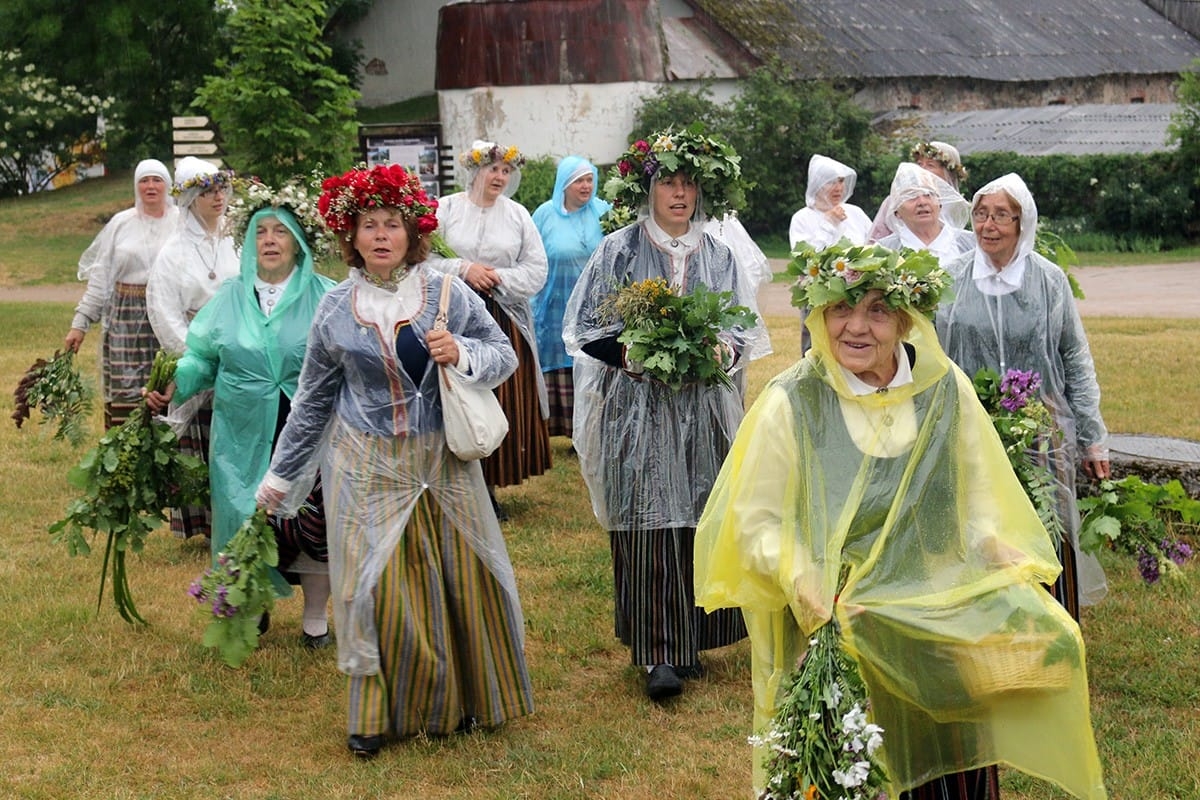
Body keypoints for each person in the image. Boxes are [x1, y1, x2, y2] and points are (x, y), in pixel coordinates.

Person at [695, 249, 1107, 799]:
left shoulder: (944, 390)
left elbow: (980, 488)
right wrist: (801, 576)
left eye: (878, 312)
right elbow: (757, 522)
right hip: (844, 614)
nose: (856, 327)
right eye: (841, 308)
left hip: (939, 610)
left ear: (908, 320)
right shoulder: (791, 402)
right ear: (819, 314)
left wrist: (993, 541)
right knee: (858, 763)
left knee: (952, 756)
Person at [255, 163, 534, 757]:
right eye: (368, 225)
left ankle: (463, 700)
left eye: (392, 224)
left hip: (440, 462)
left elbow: (502, 355)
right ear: (350, 237)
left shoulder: (446, 291)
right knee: (371, 588)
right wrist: (281, 475)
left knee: (459, 578)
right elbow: (312, 400)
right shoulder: (335, 308)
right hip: (366, 463)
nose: (381, 235)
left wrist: (458, 351)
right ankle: (375, 716)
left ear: (412, 234)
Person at [563, 127, 761, 701]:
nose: (679, 194)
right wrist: (634, 354)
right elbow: (587, 328)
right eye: (668, 182)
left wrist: (722, 347)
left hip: (703, 408)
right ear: (647, 188)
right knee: (647, 516)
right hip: (637, 408)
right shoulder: (620, 249)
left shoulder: (720, 254)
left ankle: (693, 636)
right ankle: (656, 652)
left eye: (688, 184)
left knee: (700, 511)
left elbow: (743, 324)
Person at [146, 193, 337, 648]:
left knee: (312, 519)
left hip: (306, 425)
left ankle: (315, 620)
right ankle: (251, 604)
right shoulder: (229, 297)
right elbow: (201, 358)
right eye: (260, 232)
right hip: (241, 427)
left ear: (299, 242)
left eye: (280, 231)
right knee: (242, 513)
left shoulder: (326, 295)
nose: (270, 241)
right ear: (248, 242)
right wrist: (177, 382)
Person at [936, 173, 1111, 620]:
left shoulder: (1047, 281)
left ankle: (1052, 623)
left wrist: (1092, 436)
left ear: (1022, 222)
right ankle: (986, 623)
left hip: (1040, 424)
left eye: (1000, 215)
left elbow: (1074, 356)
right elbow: (932, 353)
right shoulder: (952, 279)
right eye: (980, 214)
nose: (987, 225)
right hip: (972, 421)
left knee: (1045, 518)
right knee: (979, 523)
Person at [426, 140, 550, 511]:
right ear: (474, 170)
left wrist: (495, 277)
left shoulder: (517, 215)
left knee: (500, 395)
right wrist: (464, 269)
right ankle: (454, 479)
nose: (499, 177)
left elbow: (536, 270)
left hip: (503, 318)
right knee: (454, 394)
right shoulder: (446, 209)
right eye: (493, 168)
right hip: (452, 317)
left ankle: (491, 484)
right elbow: (422, 259)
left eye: (505, 171)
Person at [146, 156, 238, 541]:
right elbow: (163, 310)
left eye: (221, 189)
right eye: (208, 191)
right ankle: (208, 521)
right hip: (199, 352)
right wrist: (194, 355)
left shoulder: (235, 238)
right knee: (203, 438)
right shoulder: (174, 252)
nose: (218, 198)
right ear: (189, 199)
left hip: (239, 349)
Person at [65, 159, 179, 428]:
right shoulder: (121, 223)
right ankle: (123, 451)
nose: (150, 186)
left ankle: (164, 455)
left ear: (168, 185)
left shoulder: (182, 223)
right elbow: (101, 277)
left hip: (167, 316)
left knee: (164, 385)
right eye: (144, 180)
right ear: (136, 186)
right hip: (124, 322)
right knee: (125, 391)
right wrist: (80, 324)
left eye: (157, 180)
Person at [530, 156, 611, 438]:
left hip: (596, 307)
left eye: (589, 179)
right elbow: (530, 254)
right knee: (562, 361)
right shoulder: (544, 215)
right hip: (555, 305)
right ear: (564, 184)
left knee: (593, 360)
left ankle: (592, 430)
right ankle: (566, 428)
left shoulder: (605, 212)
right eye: (579, 180)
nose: (586, 186)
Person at [868, 141, 970, 242]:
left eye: (930, 165)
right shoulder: (899, 199)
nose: (922, 169)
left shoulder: (958, 206)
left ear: (948, 172)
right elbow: (876, 240)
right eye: (920, 164)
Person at [874, 162, 974, 262]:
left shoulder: (970, 242)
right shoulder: (884, 250)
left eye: (928, 194)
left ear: (940, 203)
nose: (922, 202)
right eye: (912, 196)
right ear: (897, 212)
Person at [787, 154, 872, 251]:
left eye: (841, 181)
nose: (838, 188)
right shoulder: (802, 218)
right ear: (817, 184)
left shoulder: (856, 213)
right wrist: (829, 224)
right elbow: (805, 259)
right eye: (831, 182)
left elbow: (875, 246)